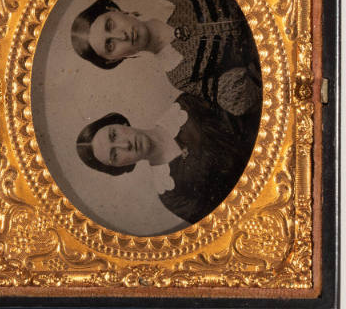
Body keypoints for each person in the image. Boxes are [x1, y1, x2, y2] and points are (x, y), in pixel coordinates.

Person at [70, 0, 262, 117]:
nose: (122, 35)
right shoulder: (179, 75)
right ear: (115, 59)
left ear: (115, 10)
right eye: (110, 45)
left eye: (110, 25)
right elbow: (242, 100)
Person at [75, 93, 257, 225]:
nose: (125, 145)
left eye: (113, 135)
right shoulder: (171, 196)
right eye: (115, 155)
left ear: (120, 123)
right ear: (120, 167)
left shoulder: (186, 106)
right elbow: (231, 224)